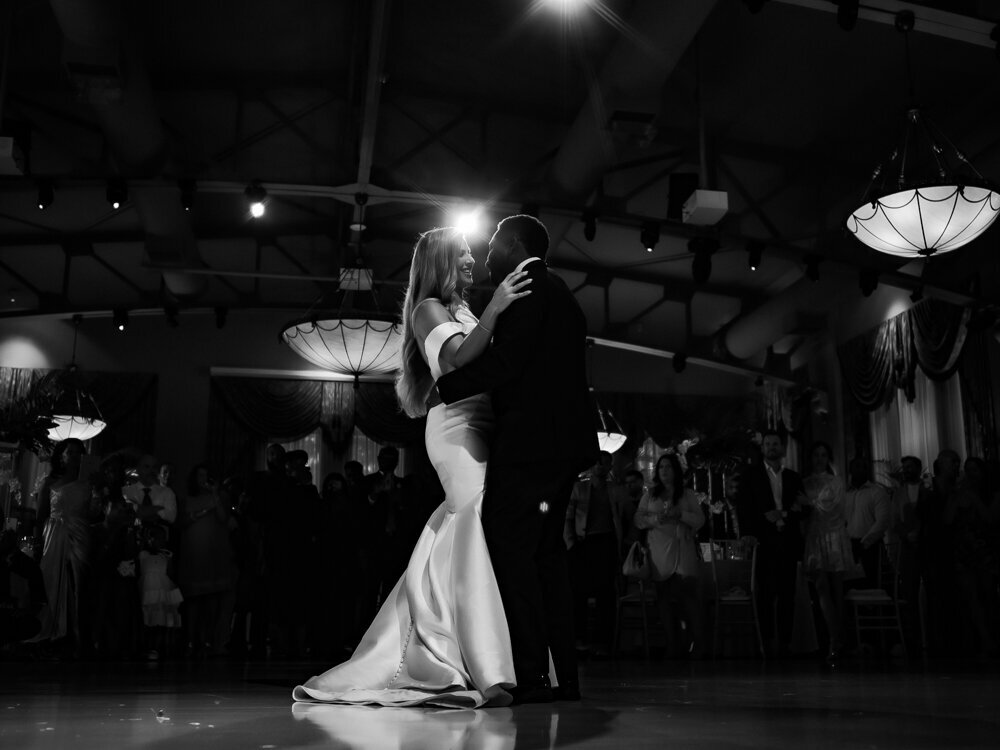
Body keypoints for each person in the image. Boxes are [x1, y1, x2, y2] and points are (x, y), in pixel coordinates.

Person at [294, 223, 532, 708]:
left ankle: (473, 650)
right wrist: (497, 308)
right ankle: (481, 664)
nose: (471, 259)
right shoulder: (429, 310)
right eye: (462, 253)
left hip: (484, 426)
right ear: (440, 262)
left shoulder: (463, 308)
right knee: (471, 523)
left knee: (478, 531)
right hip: (457, 429)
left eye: (470, 253)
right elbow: (459, 362)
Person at [437, 215, 598, 701]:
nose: (487, 253)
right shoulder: (565, 295)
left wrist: (445, 388)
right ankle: (564, 675)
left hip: (528, 448)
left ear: (515, 243)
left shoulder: (524, 287)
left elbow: (509, 362)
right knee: (548, 558)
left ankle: (530, 674)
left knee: (512, 554)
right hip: (564, 449)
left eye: (492, 243)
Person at [737, 430, 808, 657]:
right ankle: (766, 641)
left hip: (788, 542)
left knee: (788, 594)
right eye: (767, 444)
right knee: (765, 594)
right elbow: (744, 508)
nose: (771, 447)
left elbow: (803, 509)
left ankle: (785, 642)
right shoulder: (751, 475)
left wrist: (784, 514)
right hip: (763, 542)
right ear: (763, 448)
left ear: (782, 448)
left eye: (775, 444)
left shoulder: (794, 478)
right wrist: (750, 531)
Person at [633, 453, 706, 658]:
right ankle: (671, 644)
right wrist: (656, 519)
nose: (664, 471)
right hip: (659, 550)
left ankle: (697, 644)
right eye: (661, 467)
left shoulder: (687, 495)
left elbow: (700, 520)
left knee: (689, 597)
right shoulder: (650, 495)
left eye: (668, 467)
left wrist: (681, 515)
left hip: (682, 548)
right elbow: (638, 519)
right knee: (664, 597)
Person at [30, 438, 95, 652]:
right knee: (53, 579)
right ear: (62, 455)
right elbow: (40, 516)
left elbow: (94, 513)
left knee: (79, 583)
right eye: (70, 452)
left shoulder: (88, 482)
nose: (74, 456)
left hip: (81, 533)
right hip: (55, 533)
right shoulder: (50, 482)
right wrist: (37, 543)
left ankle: (78, 635)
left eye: (78, 453)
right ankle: (56, 631)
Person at [801, 442, 855, 661]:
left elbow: (837, 510)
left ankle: (840, 639)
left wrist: (811, 504)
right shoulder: (804, 483)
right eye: (816, 454)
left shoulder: (836, 482)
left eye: (823, 455)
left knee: (837, 590)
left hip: (833, 536)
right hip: (815, 536)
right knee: (822, 587)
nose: (819, 458)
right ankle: (832, 637)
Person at [565, 451, 622, 657]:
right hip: (584, 543)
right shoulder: (579, 489)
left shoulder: (615, 490)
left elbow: (625, 515)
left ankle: (601, 641)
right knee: (578, 592)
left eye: (605, 463)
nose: (601, 466)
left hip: (606, 542)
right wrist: (571, 544)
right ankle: (580, 639)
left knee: (605, 593)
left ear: (610, 467)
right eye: (598, 462)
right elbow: (569, 518)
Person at [177, 464, 236, 657]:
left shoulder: (220, 497)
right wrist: (199, 514)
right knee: (193, 598)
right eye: (200, 475)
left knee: (212, 598)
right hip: (194, 552)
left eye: (206, 475)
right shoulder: (187, 499)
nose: (203, 478)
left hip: (214, 552)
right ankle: (191, 640)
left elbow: (223, 518)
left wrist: (215, 494)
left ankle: (208, 639)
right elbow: (181, 523)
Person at [138, 524, 183, 660]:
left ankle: (162, 647)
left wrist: (170, 561)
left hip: (163, 591)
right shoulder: (143, 555)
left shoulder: (166, 556)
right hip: (149, 590)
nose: (159, 542)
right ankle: (149, 647)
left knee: (162, 620)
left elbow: (171, 573)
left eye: (162, 539)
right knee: (149, 620)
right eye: (156, 538)